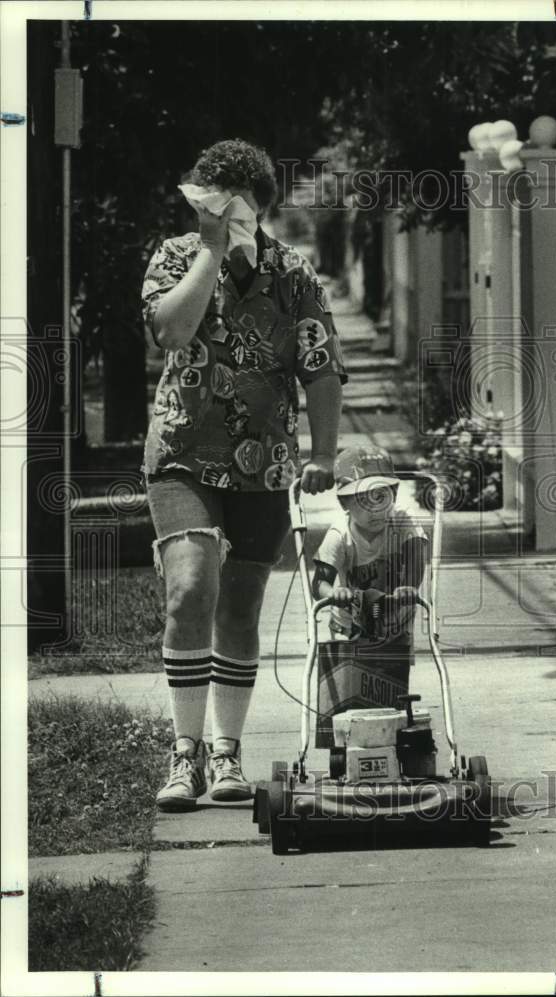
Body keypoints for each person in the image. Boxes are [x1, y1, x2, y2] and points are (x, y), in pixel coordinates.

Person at [142, 139, 346, 811]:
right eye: (208, 204)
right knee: (191, 588)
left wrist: (322, 452)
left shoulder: (292, 273)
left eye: (232, 208)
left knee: (239, 604)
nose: (219, 215)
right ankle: (184, 752)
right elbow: (170, 333)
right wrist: (208, 250)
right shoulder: (174, 256)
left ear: (258, 208)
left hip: (264, 461)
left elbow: (318, 365)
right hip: (181, 453)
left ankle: (226, 753)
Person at [311, 447, 428, 644]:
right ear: (344, 504)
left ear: (394, 495)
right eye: (362, 500)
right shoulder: (339, 534)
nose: (373, 509)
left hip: (396, 621)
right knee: (350, 673)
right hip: (349, 626)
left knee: (392, 672)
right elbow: (319, 583)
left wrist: (410, 585)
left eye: (380, 497)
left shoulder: (402, 522)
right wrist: (333, 593)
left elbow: (416, 553)